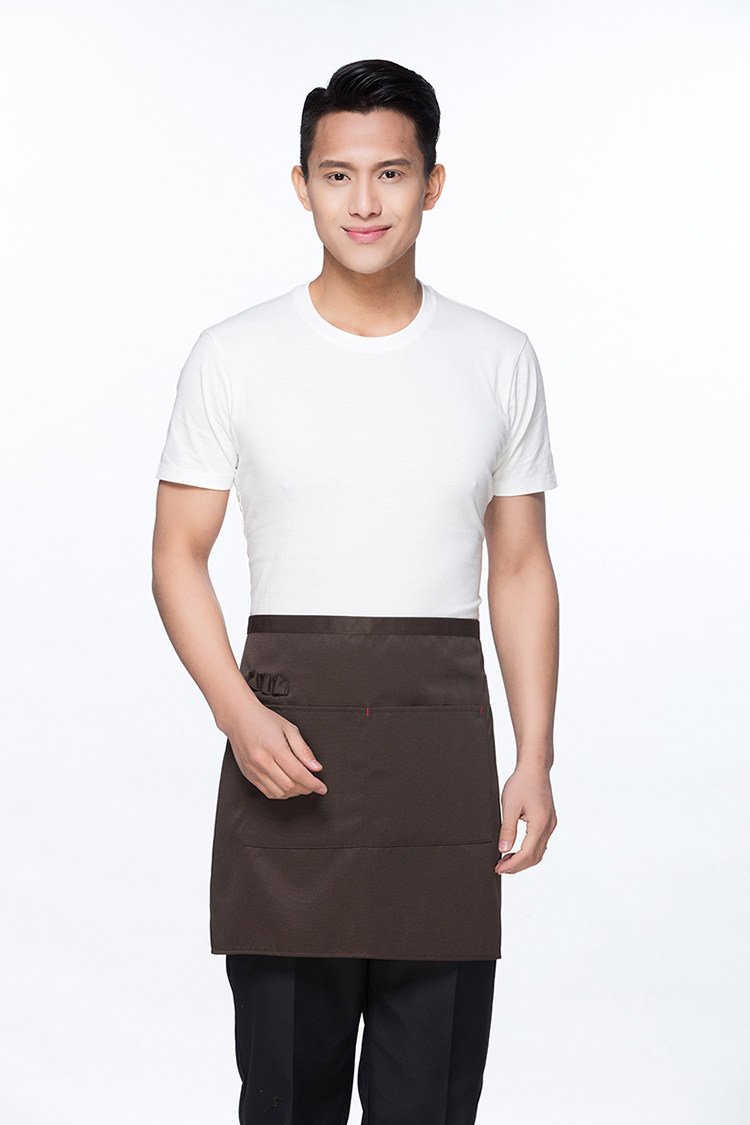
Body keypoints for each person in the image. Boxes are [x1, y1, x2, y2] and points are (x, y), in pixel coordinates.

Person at [152, 58, 559, 1125]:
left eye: (391, 173)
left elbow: (520, 565)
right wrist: (237, 714)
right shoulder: (233, 355)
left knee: (431, 1100)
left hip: (441, 754)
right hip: (286, 742)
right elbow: (176, 554)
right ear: (302, 186)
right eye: (338, 175)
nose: (364, 202)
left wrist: (535, 753)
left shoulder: (498, 357)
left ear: (433, 183)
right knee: (285, 1095)